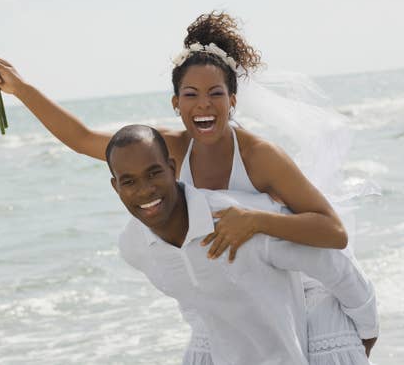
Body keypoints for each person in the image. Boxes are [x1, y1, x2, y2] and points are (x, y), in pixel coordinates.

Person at [0, 11, 370, 360]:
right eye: (191, 95)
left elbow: (332, 232)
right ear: (175, 102)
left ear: (232, 100)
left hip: (300, 282)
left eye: (215, 94)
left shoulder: (259, 156)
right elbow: (82, 138)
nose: (204, 105)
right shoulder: (166, 150)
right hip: (235, 294)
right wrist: (18, 88)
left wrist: (255, 220)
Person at [108, 125, 378, 365]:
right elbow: (189, 296)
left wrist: (367, 331)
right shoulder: (134, 247)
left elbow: (331, 262)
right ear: (115, 187)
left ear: (171, 167)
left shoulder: (239, 220)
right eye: (128, 181)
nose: (144, 190)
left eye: (153, 173)